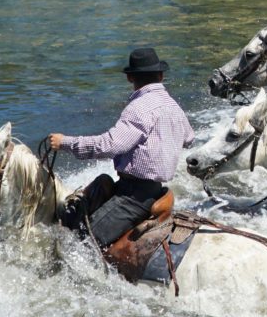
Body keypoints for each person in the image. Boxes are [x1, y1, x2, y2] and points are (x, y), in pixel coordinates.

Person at [50, 46, 194, 249]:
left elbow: (108, 145)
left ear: (130, 78)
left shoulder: (138, 109)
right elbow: (189, 138)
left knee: (80, 245)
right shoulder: (173, 106)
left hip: (133, 197)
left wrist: (64, 142)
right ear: (161, 76)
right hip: (155, 190)